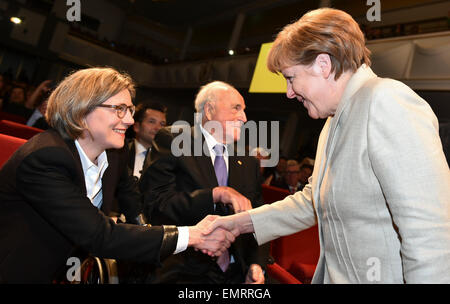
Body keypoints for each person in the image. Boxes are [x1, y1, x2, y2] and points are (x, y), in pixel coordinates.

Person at [205, 8, 450, 283]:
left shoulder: (386, 101)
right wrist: (235, 223)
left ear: (323, 64)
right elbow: (314, 202)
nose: (288, 92)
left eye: (290, 77)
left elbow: (429, 232)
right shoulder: (332, 123)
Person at [0, 67, 235, 283]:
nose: (131, 120)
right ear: (82, 109)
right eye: (120, 109)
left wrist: (147, 227)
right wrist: (192, 235)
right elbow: (100, 236)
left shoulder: (112, 155)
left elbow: (129, 197)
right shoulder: (46, 159)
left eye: (130, 110)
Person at [140, 81, 269, 284]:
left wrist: (256, 263)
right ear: (209, 110)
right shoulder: (174, 139)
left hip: (235, 273)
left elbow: (258, 217)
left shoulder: (249, 161)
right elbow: (157, 206)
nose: (244, 118)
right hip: (182, 269)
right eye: (236, 108)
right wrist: (214, 194)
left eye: (244, 110)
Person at [127, 101, 167, 179]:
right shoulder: (120, 153)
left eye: (162, 124)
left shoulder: (168, 157)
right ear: (136, 126)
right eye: (152, 122)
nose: (158, 128)